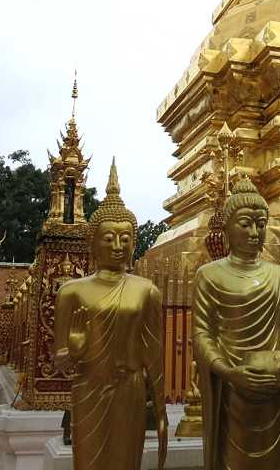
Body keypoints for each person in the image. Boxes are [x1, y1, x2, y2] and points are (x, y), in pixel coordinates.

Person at [52, 159, 167, 470]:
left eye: (126, 239)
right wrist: (73, 352)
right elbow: (58, 361)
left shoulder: (146, 290)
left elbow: (154, 353)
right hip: (87, 387)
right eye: (108, 238)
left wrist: (161, 409)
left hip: (129, 388)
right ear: (92, 242)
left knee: (126, 461)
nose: (118, 246)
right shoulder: (72, 291)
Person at [192, 177, 280, 470]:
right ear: (226, 229)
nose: (255, 232)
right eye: (245, 224)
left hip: (276, 388)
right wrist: (229, 371)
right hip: (231, 392)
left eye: (261, 224)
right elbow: (202, 335)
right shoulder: (209, 275)